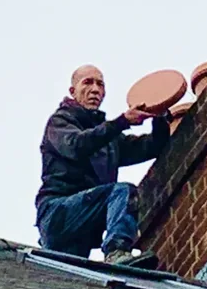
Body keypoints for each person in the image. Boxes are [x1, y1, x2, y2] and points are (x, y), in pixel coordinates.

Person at [35, 64, 171, 265]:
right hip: (58, 214)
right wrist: (122, 121)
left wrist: (158, 115)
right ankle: (116, 251)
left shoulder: (109, 139)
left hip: (84, 226)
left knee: (72, 278)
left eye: (100, 84)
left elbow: (150, 147)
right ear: (73, 91)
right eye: (87, 82)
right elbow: (78, 145)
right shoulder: (60, 121)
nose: (95, 89)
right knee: (122, 191)